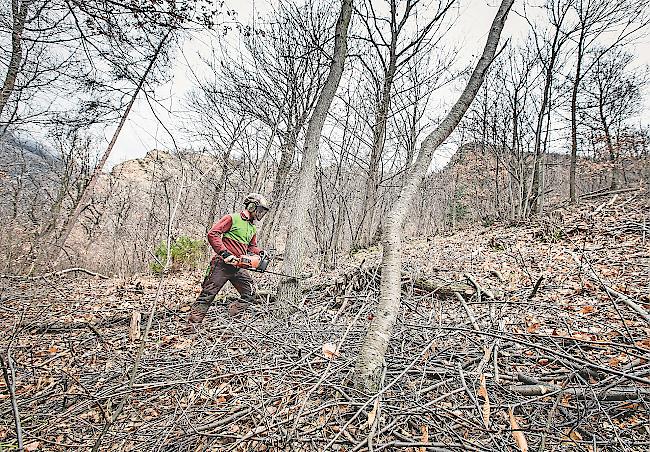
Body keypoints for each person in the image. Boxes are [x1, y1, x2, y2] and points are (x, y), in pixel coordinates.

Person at [186, 193, 270, 329]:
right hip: (221, 264)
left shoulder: (252, 227)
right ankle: (191, 327)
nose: (260, 213)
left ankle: (232, 321)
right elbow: (213, 233)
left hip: (238, 266)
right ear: (251, 206)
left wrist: (260, 252)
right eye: (259, 209)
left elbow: (251, 246)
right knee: (208, 294)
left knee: (250, 293)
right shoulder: (232, 218)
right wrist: (224, 253)